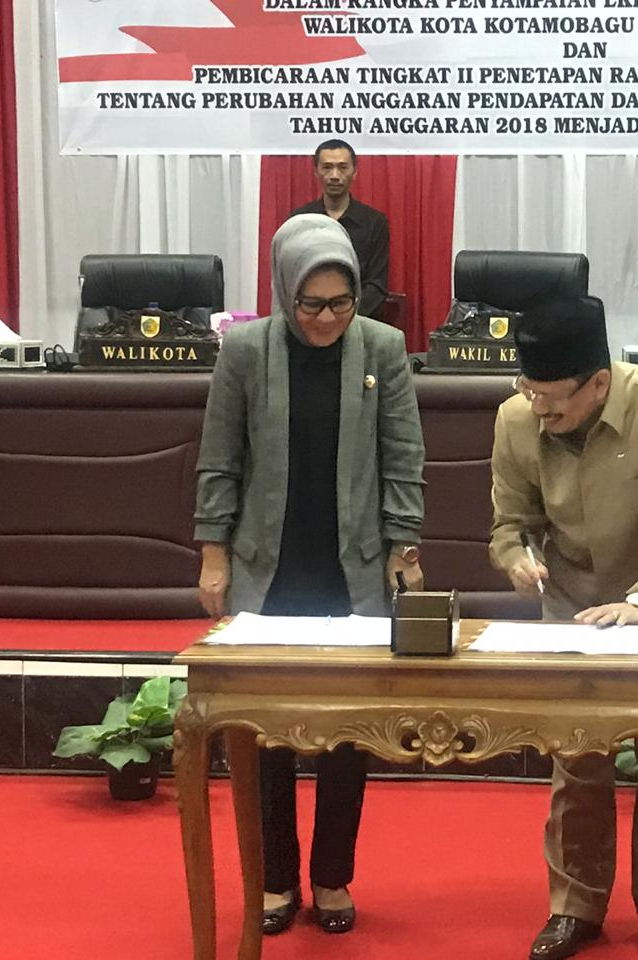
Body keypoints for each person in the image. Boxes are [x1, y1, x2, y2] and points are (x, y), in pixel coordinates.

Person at [194, 213, 426, 936]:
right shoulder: (246, 351)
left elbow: (403, 456)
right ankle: (274, 880)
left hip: (351, 571)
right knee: (264, 737)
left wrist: (404, 547)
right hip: (268, 570)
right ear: (282, 290)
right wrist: (212, 551)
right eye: (311, 304)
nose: (326, 318)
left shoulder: (382, 348)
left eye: (341, 303)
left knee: (346, 735)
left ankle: (331, 877)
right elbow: (220, 457)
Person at [488, 296, 638, 960]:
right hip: (576, 612)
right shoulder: (515, 418)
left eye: (553, 400)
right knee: (577, 763)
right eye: (529, 392)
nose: (539, 410)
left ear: (599, 382)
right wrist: (516, 558)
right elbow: (510, 523)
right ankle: (575, 906)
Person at [288, 139, 390, 319]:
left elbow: (377, 286)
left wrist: (344, 316)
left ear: (355, 171)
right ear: (316, 171)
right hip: (308, 318)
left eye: (343, 167)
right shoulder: (300, 220)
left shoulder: (375, 223)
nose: (334, 175)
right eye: (327, 167)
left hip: (358, 319)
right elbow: (290, 279)